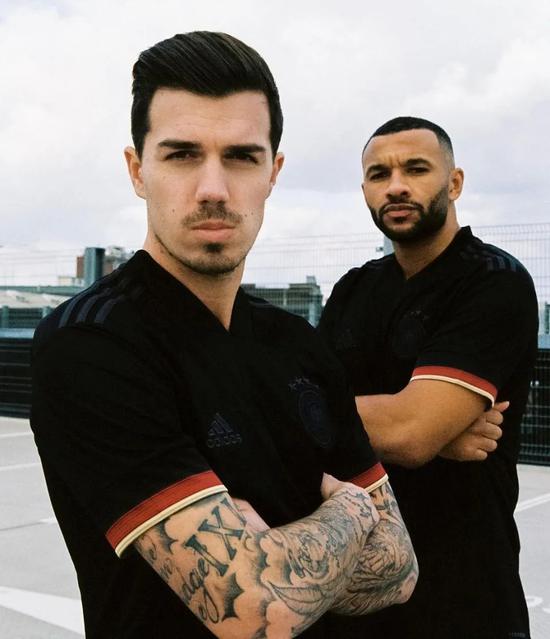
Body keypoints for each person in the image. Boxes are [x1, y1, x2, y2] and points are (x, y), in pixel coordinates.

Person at [30, 33, 417, 639]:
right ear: (137, 170)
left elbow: (399, 569)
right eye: (182, 155)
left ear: (272, 173)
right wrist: (348, 512)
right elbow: (255, 611)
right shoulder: (91, 344)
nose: (213, 188)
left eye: (240, 156)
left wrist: (273, 559)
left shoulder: (299, 344)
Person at [319, 116, 538, 638]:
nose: (396, 186)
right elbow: (299, 403)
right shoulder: (353, 289)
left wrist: (409, 427)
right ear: (365, 191)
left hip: (464, 594)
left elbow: (410, 433)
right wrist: (426, 428)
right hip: (354, 588)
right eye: (379, 174)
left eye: (416, 169)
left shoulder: (493, 281)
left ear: (454, 183)